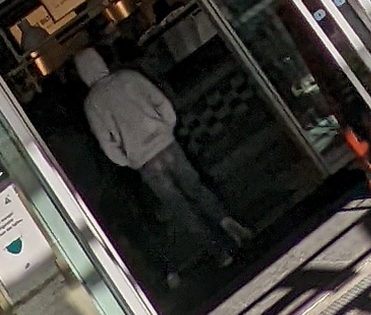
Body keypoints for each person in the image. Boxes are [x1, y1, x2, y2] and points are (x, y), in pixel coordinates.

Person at [72, 43, 248, 272]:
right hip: (166, 144)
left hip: (144, 161)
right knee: (195, 187)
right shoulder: (128, 77)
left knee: (180, 207)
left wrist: (128, 160)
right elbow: (160, 101)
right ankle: (225, 219)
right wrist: (167, 128)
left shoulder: (92, 103)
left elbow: (107, 143)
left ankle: (219, 250)